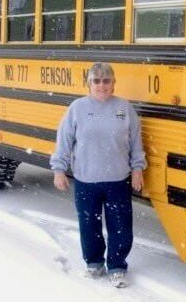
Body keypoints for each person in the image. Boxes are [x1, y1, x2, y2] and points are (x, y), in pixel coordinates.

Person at [50, 62, 146, 288]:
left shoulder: (124, 108)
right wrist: (59, 170)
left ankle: (117, 266)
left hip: (118, 179)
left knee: (120, 226)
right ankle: (94, 263)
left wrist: (137, 169)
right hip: (86, 180)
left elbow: (135, 141)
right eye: (96, 81)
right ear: (88, 84)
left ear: (113, 83)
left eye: (106, 80)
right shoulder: (77, 108)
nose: (101, 85)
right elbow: (64, 141)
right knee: (89, 225)